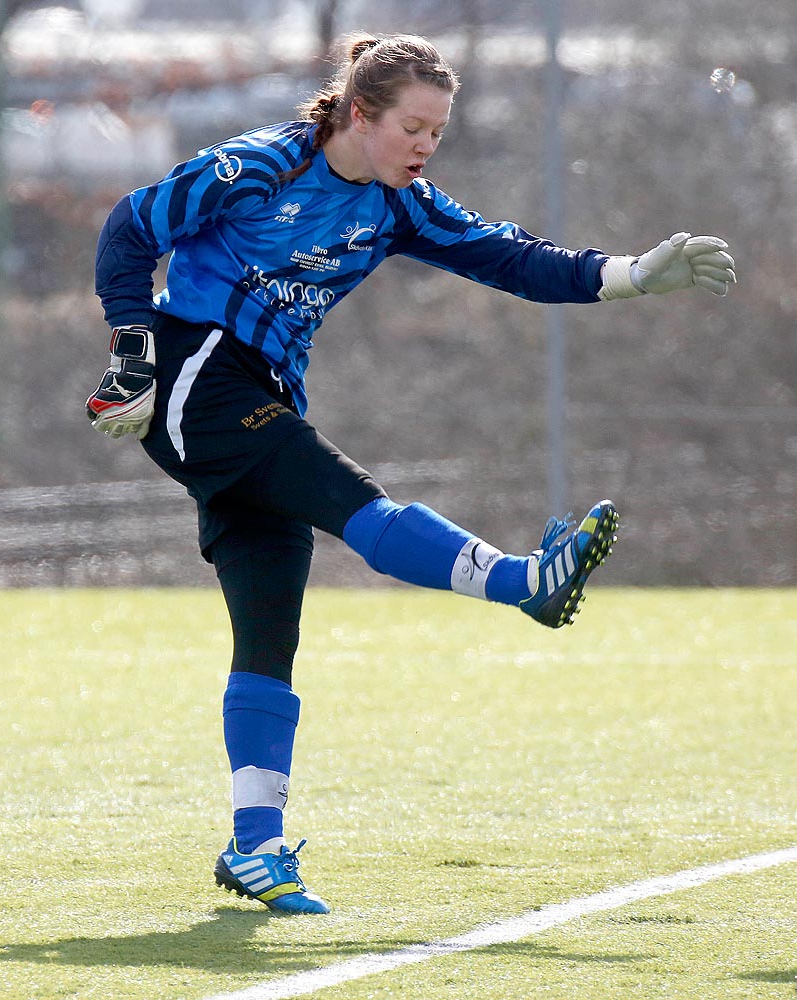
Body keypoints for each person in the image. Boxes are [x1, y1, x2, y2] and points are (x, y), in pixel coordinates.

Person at [87, 32, 737, 916]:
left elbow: (512, 257)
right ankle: (523, 583)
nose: (428, 146)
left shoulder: (400, 206)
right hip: (195, 369)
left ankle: (256, 847)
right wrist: (131, 350)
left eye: (439, 130)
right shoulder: (261, 167)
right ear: (361, 115)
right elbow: (130, 227)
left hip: (263, 394)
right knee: (359, 506)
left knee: (269, 629)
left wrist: (631, 275)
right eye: (415, 128)